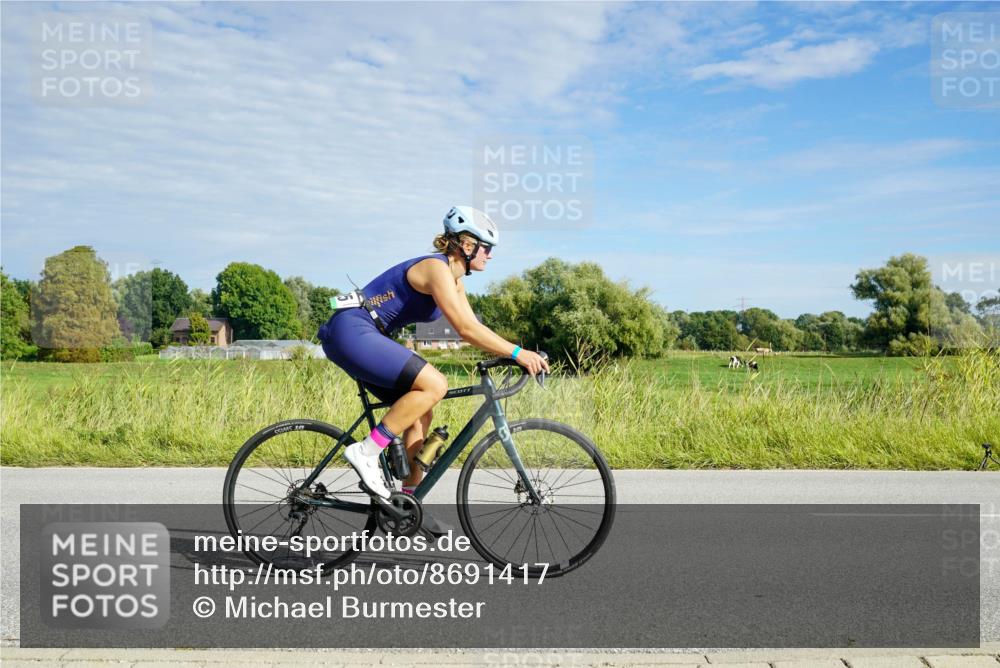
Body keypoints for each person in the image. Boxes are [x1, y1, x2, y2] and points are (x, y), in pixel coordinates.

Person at [317, 206, 549, 499]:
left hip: (366, 335)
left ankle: (406, 503)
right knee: (436, 384)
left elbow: (475, 327)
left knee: (419, 414)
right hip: (351, 329)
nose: (490, 255)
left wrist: (515, 352)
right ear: (467, 245)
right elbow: (464, 329)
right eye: (487, 248)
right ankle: (366, 451)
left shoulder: (455, 282)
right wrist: (518, 353)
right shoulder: (436, 268)